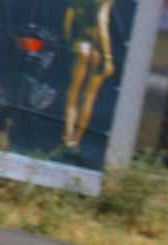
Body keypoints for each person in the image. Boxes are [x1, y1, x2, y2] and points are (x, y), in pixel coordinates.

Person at [62, 0, 115, 150]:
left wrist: (70, 41)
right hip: (98, 49)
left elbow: (68, 19)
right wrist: (108, 57)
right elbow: (102, 22)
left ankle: (67, 135)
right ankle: (76, 140)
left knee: (73, 92)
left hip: (82, 44)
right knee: (90, 97)